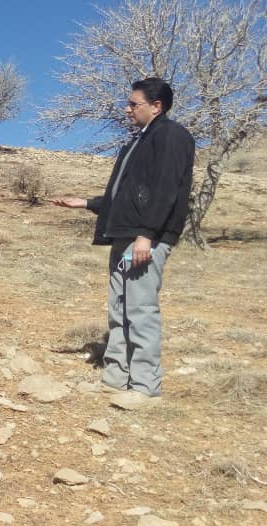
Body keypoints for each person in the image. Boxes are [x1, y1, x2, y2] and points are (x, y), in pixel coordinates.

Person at [52, 77, 194, 398]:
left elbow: (166, 190)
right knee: (119, 307)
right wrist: (86, 203)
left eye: (134, 104)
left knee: (140, 308)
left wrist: (147, 235)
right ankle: (116, 377)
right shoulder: (136, 142)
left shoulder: (171, 136)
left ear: (156, 106)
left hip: (145, 238)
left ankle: (144, 387)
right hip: (123, 235)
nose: (127, 109)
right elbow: (126, 196)